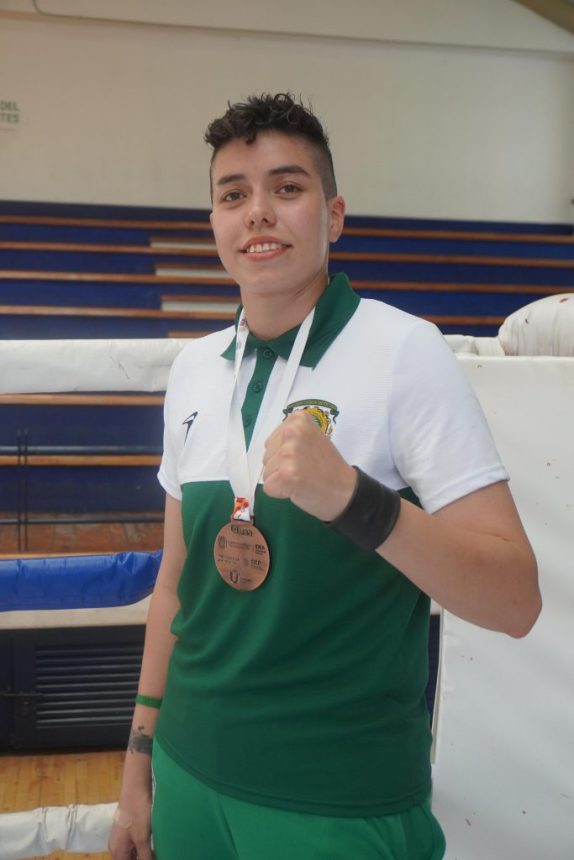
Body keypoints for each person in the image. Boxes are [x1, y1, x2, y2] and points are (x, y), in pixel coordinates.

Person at [109, 92, 541, 860]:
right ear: (214, 224)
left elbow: (514, 600)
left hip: (337, 797)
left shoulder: (405, 353)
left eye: (287, 187)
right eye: (233, 195)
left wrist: (356, 501)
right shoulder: (195, 370)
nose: (257, 211)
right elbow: (174, 585)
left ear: (333, 216)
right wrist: (138, 761)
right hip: (188, 772)